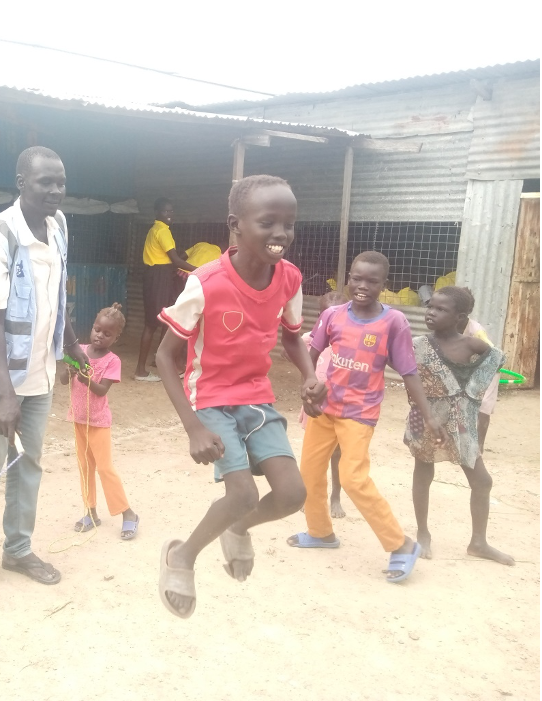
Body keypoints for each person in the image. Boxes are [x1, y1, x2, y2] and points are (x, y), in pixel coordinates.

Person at [155, 175, 324, 619]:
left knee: (291, 494)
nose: (280, 234)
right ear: (236, 224)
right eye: (268, 222)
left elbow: (292, 338)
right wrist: (194, 426)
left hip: (257, 399)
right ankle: (183, 556)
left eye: (289, 223)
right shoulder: (206, 283)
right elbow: (164, 356)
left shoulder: (288, 279)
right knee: (243, 492)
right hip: (211, 398)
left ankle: (238, 530)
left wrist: (309, 375)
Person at [0, 146, 89, 603]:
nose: (55, 190)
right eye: (44, 182)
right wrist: (7, 395)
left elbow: (58, 295)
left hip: (40, 375)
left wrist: (73, 348)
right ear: (20, 183)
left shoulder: (59, 226)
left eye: (61, 182)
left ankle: (17, 550)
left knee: (28, 465)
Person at [289, 251, 446, 585]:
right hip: (323, 409)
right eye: (357, 278)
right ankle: (320, 533)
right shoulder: (332, 315)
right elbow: (311, 355)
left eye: (372, 281)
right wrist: (308, 386)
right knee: (310, 473)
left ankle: (401, 543)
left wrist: (428, 414)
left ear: (383, 285)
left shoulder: (394, 322)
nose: (362, 286)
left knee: (353, 478)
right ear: (349, 277)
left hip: (359, 413)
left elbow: (408, 372)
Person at [408, 287, 513, 565]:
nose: (431, 312)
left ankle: (478, 542)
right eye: (431, 306)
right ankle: (423, 533)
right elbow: (410, 378)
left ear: (461, 317)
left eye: (441, 309)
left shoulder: (472, 345)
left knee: (482, 481)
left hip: (460, 422)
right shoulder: (417, 344)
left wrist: (468, 393)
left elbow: (494, 361)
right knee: (423, 471)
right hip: (424, 417)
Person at [61, 303, 139, 540]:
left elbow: (102, 390)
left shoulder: (113, 361)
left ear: (115, 337)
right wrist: (70, 371)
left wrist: (85, 380)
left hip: (98, 423)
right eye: (97, 330)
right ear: (92, 328)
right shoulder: (79, 350)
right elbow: (64, 380)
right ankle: (91, 511)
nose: (100, 336)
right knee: (85, 467)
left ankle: (128, 513)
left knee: (105, 468)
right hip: (79, 420)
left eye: (107, 334)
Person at [286, 290, 349, 518]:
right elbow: (299, 363)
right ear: (320, 315)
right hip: (317, 407)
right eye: (326, 314)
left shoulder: (353, 344)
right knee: (314, 455)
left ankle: (335, 497)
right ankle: (310, 496)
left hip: (344, 407)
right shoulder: (309, 342)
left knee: (338, 454)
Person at [134, 198, 196, 381]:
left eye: (171, 211)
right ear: (157, 212)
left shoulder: (155, 230)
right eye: (165, 212)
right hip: (159, 276)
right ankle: (140, 370)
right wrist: (199, 270)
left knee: (166, 320)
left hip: (158, 275)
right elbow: (175, 260)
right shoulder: (162, 231)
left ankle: (159, 362)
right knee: (152, 324)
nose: (169, 215)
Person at [456, 296, 502, 452]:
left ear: (466, 312)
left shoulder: (476, 330)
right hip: (470, 369)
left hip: (489, 369)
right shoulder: (450, 326)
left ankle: (479, 445)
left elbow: (493, 353)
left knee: (483, 407)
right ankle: (461, 440)